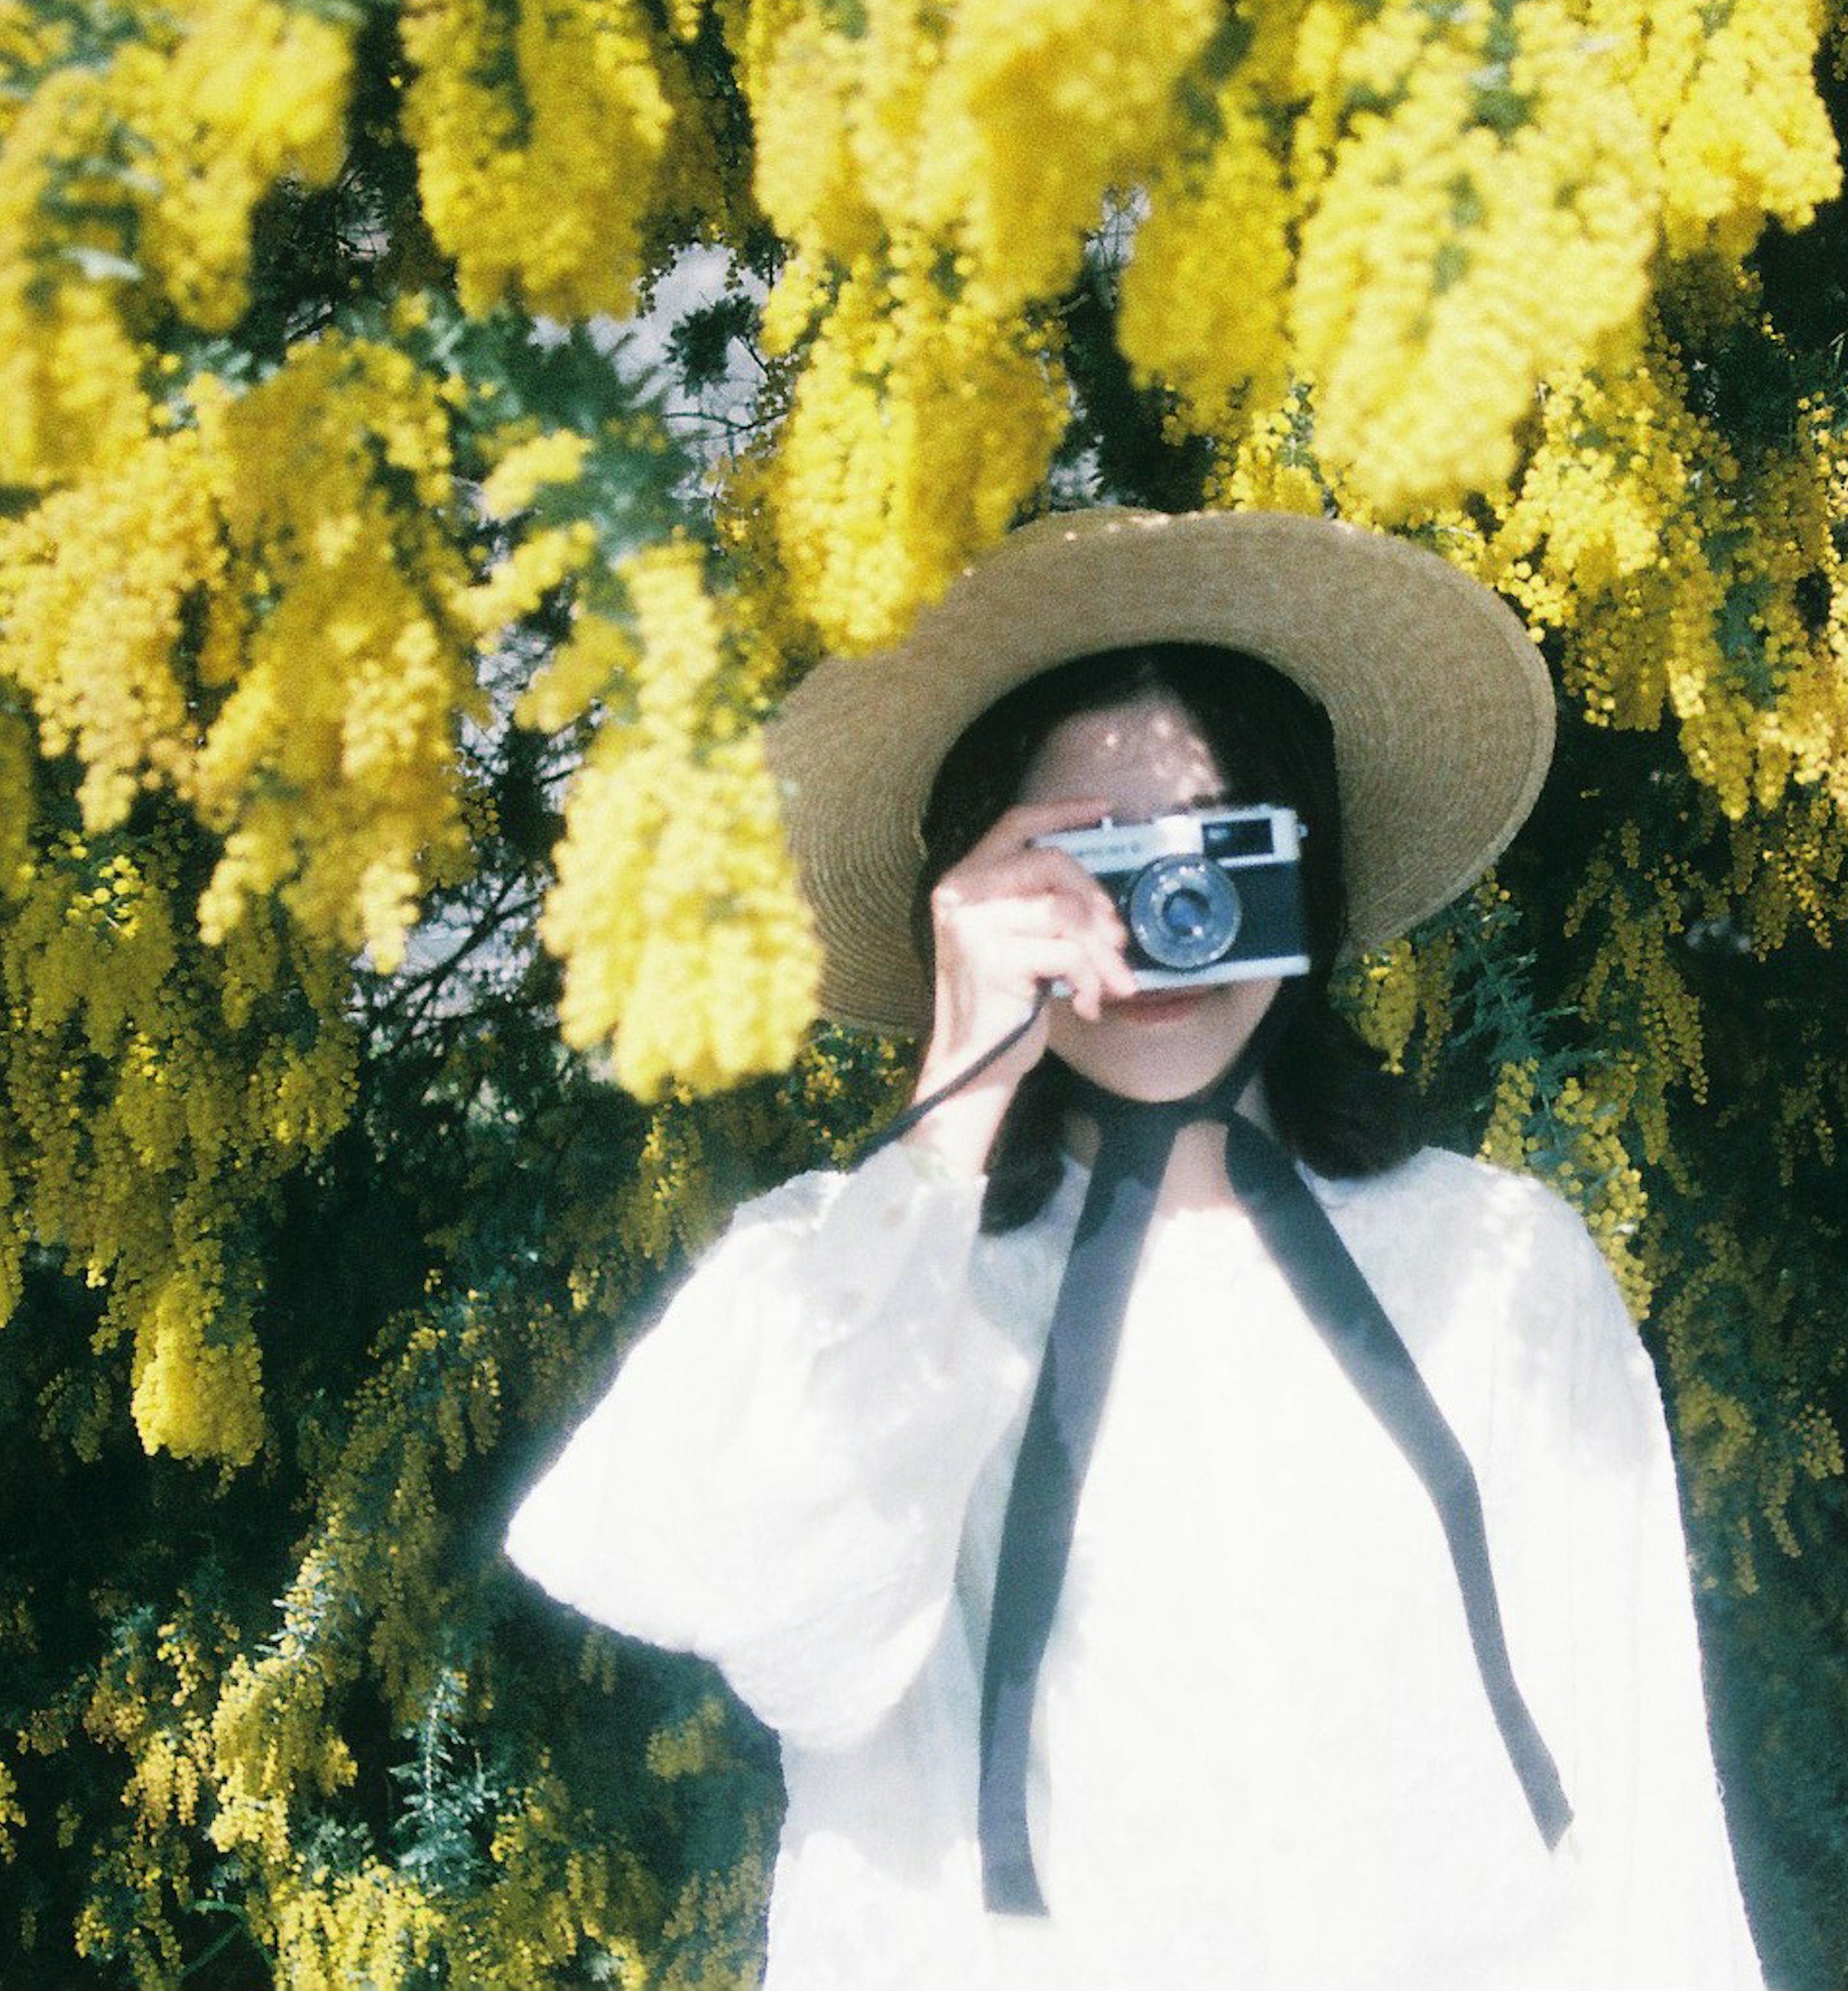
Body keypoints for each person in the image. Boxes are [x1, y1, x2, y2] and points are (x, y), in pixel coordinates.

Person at [506, 509, 1764, 1989]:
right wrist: (949, 1115)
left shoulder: (1498, 1264)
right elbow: (786, 1631)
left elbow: (1637, 1780)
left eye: (1212, 851)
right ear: (967, 901)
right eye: (1080, 866)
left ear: (1313, 871)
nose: (1157, 916)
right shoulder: (851, 1282)